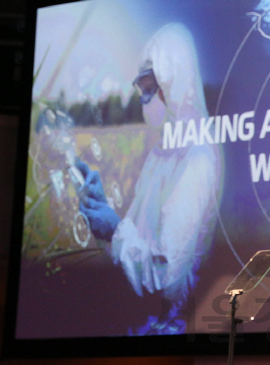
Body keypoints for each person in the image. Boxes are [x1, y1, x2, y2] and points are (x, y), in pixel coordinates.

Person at [76, 23, 222, 333]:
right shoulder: (163, 151)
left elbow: (166, 278)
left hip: (169, 334)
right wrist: (103, 212)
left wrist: (114, 229)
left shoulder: (198, 159)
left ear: (174, 81)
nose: (144, 99)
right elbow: (134, 245)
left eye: (149, 86)